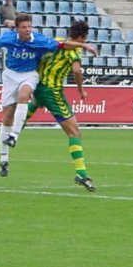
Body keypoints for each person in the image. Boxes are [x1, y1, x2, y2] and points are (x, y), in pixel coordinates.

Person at [0, 13, 98, 178]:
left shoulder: (44, 40)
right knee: (70, 131)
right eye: (24, 27)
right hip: (30, 82)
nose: (28, 30)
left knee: (26, 97)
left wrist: (85, 47)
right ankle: (5, 158)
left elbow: (62, 44)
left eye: (29, 27)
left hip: (33, 78)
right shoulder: (12, 39)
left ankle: (14, 135)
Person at [21, 20, 96, 191]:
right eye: (84, 39)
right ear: (81, 38)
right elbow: (76, 71)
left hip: (40, 87)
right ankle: (81, 174)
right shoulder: (74, 49)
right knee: (74, 132)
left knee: (36, 102)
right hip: (52, 91)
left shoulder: (57, 41)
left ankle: (15, 130)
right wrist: (81, 90)